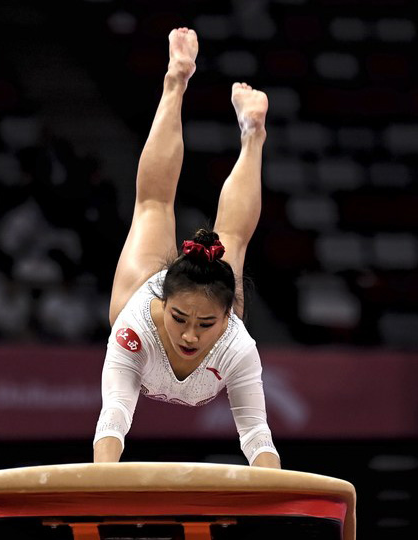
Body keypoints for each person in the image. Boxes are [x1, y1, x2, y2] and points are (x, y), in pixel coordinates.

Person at [93, 28, 280, 468]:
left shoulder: (238, 347)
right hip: (139, 296)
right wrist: (102, 481)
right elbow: (114, 415)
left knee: (232, 239)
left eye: (205, 322)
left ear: (227, 318)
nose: (191, 335)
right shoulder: (134, 331)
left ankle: (254, 133)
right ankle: (175, 80)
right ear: (163, 302)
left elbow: (256, 433)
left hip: (207, 302)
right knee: (153, 205)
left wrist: (276, 497)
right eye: (179, 318)